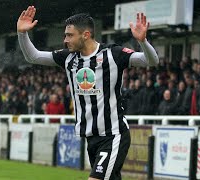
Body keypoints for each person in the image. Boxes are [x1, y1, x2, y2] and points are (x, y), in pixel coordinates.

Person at [17, 6, 159, 180]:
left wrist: (143, 42)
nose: (65, 40)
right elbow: (33, 57)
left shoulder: (112, 54)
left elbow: (150, 61)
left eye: (70, 35)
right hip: (91, 138)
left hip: (113, 134)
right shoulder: (68, 57)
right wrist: (22, 34)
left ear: (85, 35)